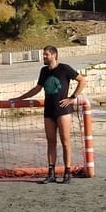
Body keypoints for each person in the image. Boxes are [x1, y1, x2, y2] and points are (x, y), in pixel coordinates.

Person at [10, 46, 87, 184]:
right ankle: (51, 173)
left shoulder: (64, 68)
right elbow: (37, 88)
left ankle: (67, 173)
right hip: (49, 111)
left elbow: (82, 80)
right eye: (43, 54)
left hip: (63, 111)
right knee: (51, 142)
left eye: (46, 54)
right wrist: (20, 98)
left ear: (54, 55)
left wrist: (72, 97)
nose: (44, 57)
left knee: (65, 142)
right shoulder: (44, 71)